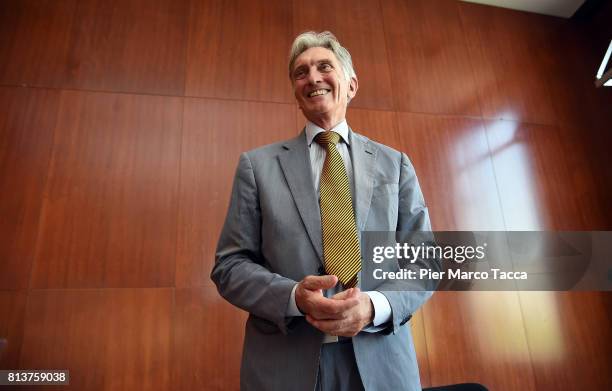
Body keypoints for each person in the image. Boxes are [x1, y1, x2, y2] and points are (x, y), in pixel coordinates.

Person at [212, 31, 434, 391]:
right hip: (286, 366)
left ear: (351, 84)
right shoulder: (257, 166)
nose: (312, 77)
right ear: (297, 94)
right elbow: (229, 266)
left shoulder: (395, 164)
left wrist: (373, 307)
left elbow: (425, 260)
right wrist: (292, 296)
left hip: (383, 364)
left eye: (324, 67)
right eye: (301, 73)